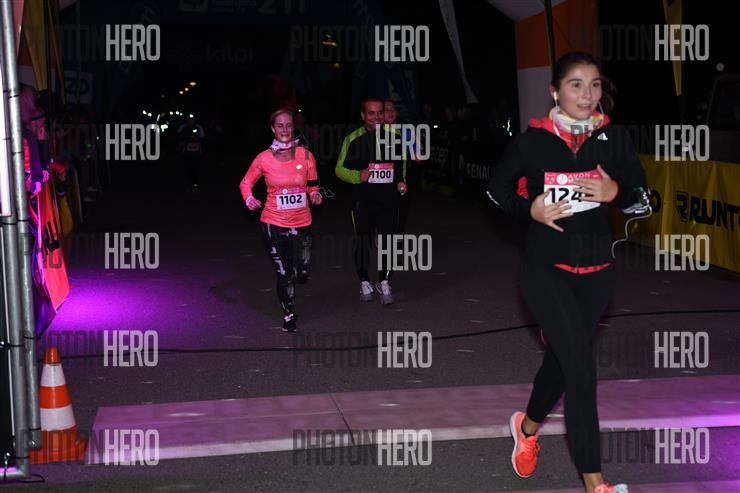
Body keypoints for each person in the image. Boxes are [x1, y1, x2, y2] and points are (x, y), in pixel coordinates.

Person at [488, 52, 646, 493]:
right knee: (581, 368)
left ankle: (526, 428)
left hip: (597, 274)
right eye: (576, 84)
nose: (587, 94)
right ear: (555, 91)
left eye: (594, 84)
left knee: (562, 362)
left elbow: (643, 200)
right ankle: (596, 484)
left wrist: (616, 192)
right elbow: (496, 190)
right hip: (545, 269)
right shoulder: (532, 142)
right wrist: (530, 209)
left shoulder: (614, 139)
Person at [239, 109, 322, 332]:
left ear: (293, 127)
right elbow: (245, 183)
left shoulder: (306, 155)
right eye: (280, 125)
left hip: (302, 221)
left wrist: (315, 194)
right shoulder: (263, 158)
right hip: (273, 222)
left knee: (302, 270)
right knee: (285, 273)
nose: (285, 129)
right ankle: (288, 315)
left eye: (288, 125)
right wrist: (250, 199)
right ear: (273, 129)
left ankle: (301, 270)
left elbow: (313, 184)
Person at [335, 98, 407, 305]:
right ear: (363, 115)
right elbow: (339, 170)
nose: (376, 117)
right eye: (371, 113)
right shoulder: (352, 139)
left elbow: (400, 165)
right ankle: (364, 280)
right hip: (363, 202)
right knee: (364, 242)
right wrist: (357, 176)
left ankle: (384, 281)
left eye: (380, 112)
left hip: (389, 200)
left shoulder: (395, 138)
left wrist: (401, 181)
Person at [178, 114, 206, 192]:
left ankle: (195, 185)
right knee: (187, 168)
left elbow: (203, 139)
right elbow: (178, 137)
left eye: (193, 119)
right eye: (189, 119)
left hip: (196, 152)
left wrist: (197, 140)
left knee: (195, 168)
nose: (191, 120)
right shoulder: (183, 127)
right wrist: (181, 142)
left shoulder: (199, 127)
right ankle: (188, 185)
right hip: (187, 152)